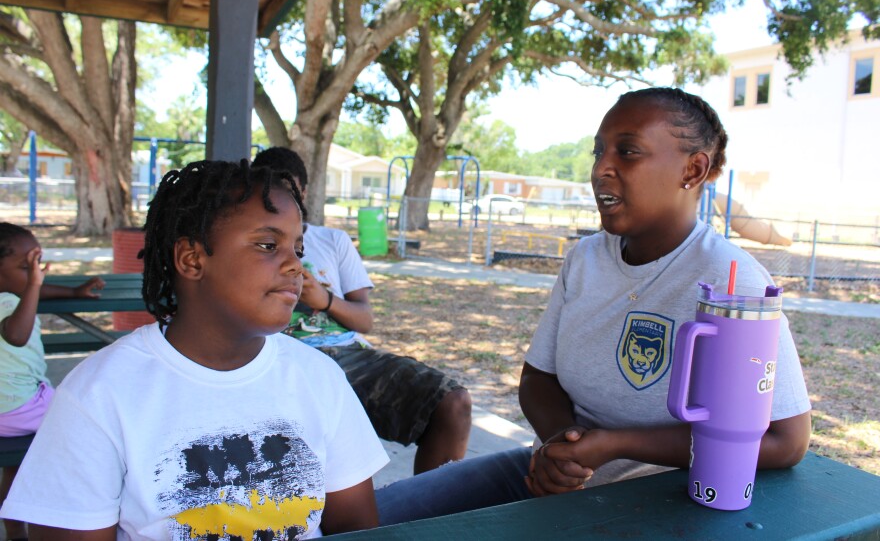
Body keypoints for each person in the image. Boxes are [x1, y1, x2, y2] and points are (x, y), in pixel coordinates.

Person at [374, 87, 812, 524]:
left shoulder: (732, 281)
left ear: (692, 170)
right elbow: (538, 379)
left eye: (628, 152)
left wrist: (614, 445)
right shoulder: (585, 259)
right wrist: (560, 450)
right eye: (599, 151)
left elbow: (785, 441)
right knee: (370, 516)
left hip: (658, 503)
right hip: (550, 477)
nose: (602, 168)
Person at [0, 160, 389, 540]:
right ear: (192, 259)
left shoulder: (318, 377)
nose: (294, 267)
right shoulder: (99, 394)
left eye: (298, 249)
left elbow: (355, 526)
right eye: (268, 244)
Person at [252, 147, 472, 474]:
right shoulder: (246, 243)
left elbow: (365, 319)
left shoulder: (333, 241)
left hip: (347, 355)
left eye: (291, 193)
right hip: (277, 353)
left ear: (305, 193)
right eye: (270, 194)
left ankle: (428, 515)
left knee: (453, 403)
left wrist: (323, 300)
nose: (281, 204)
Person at [0, 222, 105, 541]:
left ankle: (15, 528)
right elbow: (16, 335)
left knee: (15, 467)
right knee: (88, 421)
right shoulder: (6, 301)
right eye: (25, 267)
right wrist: (33, 284)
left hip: (13, 410)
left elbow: (35, 291)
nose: (35, 275)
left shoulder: (14, 293)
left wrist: (72, 292)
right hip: (19, 408)